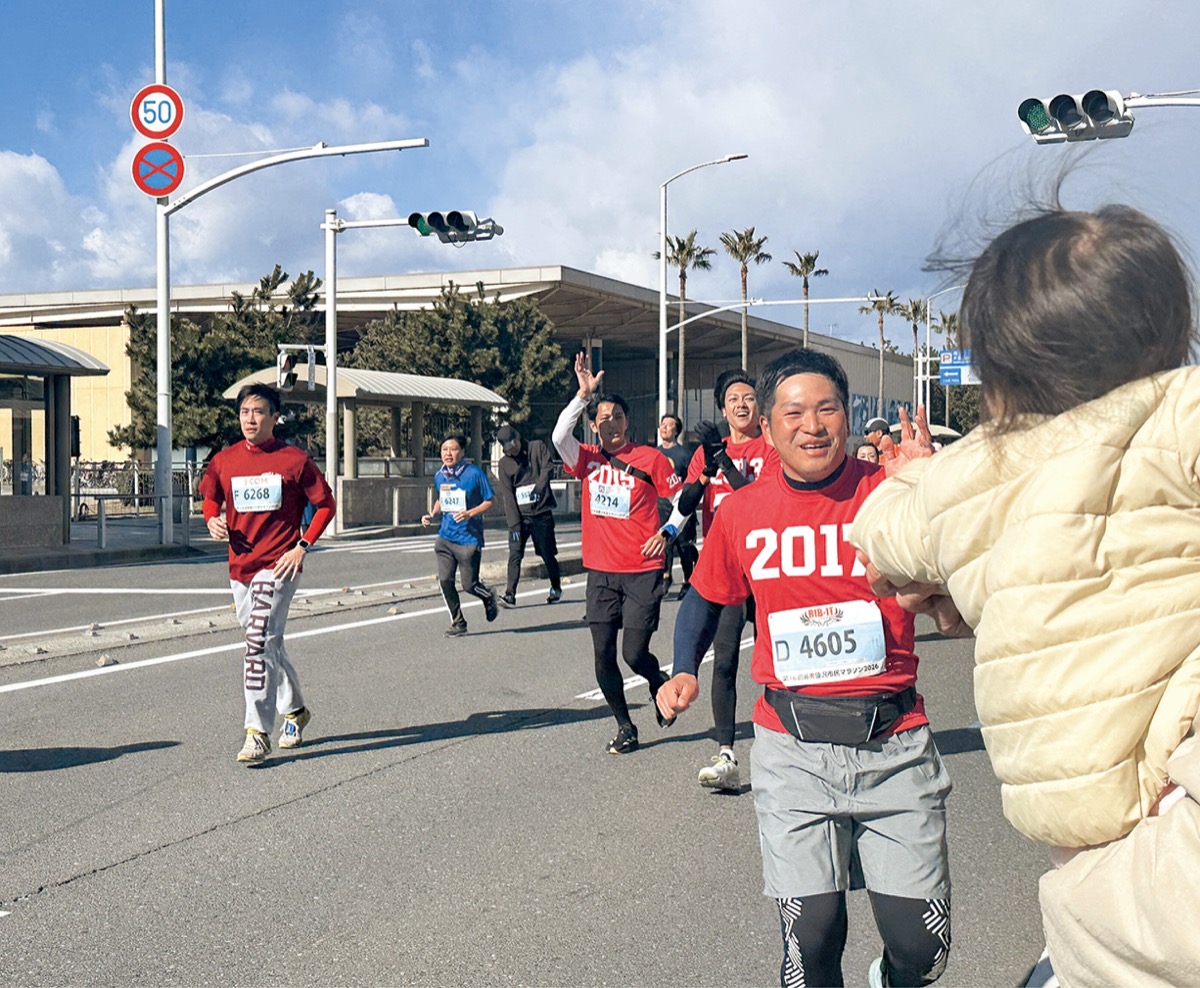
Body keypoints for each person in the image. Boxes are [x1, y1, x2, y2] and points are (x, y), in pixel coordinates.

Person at [849, 203, 1200, 986]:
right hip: (1170, 782)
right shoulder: (1181, 411)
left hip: (1077, 829)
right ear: (1169, 335)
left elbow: (879, 528)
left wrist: (920, 485)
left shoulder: (970, 473)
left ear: (998, 368)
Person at [658, 349, 949, 988]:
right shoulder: (741, 513)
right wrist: (683, 668)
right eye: (793, 413)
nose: (811, 425)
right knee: (809, 947)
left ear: (849, 418)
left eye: (826, 409)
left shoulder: (891, 496)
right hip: (792, 749)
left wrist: (931, 492)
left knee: (923, 951)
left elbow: (962, 573)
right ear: (766, 427)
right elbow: (705, 596)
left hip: (893, 746)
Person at [199, 383, 336, 765]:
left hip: (279, 564)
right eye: (244, 411)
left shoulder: (294, 460)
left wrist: (302, 545)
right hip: (239, 567)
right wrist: (212, 519)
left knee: (257, 640)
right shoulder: (225, 460)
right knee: (267, 641)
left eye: (258, 411)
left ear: (275, 417)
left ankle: (257, 732)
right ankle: (295, 711)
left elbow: (325, 505)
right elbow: (210, 496)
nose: (250, 418)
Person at [553, 352, 683, 755]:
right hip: (601, 572)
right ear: (594, 426)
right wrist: (582, 396)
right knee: (603, 654)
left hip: (643, 569)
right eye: (603, 419)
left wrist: (666, 531)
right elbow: (559, 437)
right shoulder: (587, 460)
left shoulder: (652, 459)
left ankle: (657, 680)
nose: (611, 423)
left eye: (618, 418)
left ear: (628, 423)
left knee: (634, 653)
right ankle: (626, 726)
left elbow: (682, 502)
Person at [673, 368, 776, 791]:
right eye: (733, 398)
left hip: (768, 564)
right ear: (722, 407)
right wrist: (704, 467)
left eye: (748, 397)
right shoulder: (708, 450)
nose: (741, 404)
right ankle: (728, 753)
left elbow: (756, 500)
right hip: (727, 565)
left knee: (777, 655)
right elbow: (685, 502)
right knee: (727, 658)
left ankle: (785, 741)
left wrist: (725, 464)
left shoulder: (770, 448)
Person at [421, 434, 499, 637]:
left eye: (453, 449)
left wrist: (469, 513)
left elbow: (490, 500)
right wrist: (432, 514)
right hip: (445, 537)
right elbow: (442, 499)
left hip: (468, 539)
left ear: (462, 452)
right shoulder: (440, 475)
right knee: (445, 581)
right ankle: (458, 622)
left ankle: (488, 597)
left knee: (469, 585)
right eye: (444, 449)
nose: (448, 453)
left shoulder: (474, 474)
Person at [493, 423, 563, 606]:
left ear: (518, 438)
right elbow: (508, 495)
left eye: (514, 444)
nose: (513, 450)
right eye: (508, 449)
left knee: (547, 553)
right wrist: (513, 525)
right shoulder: (504, 464)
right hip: (520, 517)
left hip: (541, 513)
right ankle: (510, 594)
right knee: (515, 554)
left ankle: (555, 587)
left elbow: (548, 468)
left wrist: (540, 488)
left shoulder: (536, 447)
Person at [656, 413, 698, 598]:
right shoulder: (655, 454)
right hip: (659, 506)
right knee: (663, 543)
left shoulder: (684, 455)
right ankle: (666, 576)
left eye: (669, 425)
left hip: (680, 506)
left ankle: (688, 580)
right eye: (662, 424)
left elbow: (692, 482)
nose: (664, 427)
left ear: (676, 430)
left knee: (683, 547)